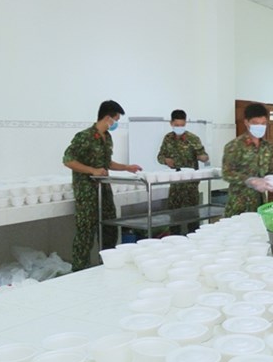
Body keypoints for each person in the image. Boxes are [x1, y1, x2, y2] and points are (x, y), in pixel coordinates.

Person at [63, 100, 143, 271]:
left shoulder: (107, 138)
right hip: (87, 192)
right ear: (107, 118)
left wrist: (127, 167)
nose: (115, 124)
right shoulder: (84, 137)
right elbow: (68, 160)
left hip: (104, 191)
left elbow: (107, 163)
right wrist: (92, 170)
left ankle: (106, 266)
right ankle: (78, 270)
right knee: (85, 233)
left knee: (109, 229)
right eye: (116, 120)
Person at [157, 109, 209, 234]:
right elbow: (159, 157)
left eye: (182, 125)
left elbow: (205, 157)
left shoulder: (193, 139)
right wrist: (166, 160)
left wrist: (201, 157)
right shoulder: (168, 139)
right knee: (174, 219)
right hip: (175, 186)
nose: (179, 128)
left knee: (193, 219)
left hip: (190, 186)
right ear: (171, 123)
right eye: (177, 125)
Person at [222, 103, 273, 217]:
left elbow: (271, 170)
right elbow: (226, 173)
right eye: (256, 123)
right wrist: (250, 180)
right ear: (246, 122)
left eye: (263, 123)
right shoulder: (234, 146)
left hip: (260, 203)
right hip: (239, 204)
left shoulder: (266, 146)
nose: (260, 126)